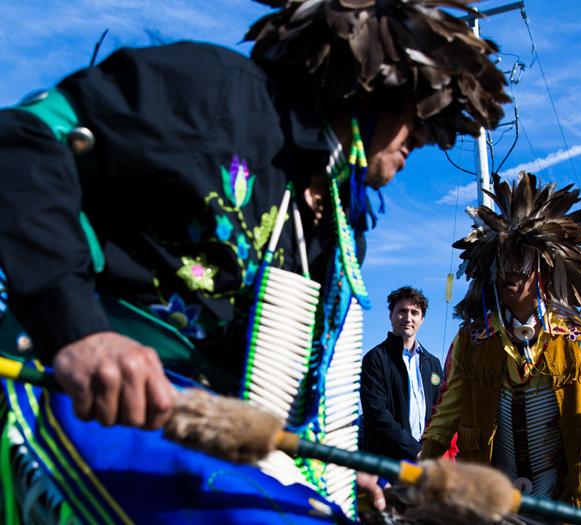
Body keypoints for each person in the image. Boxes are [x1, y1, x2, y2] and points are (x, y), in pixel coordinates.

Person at [0, 0, 508, 522]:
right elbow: (28, 138)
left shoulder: (340, 225)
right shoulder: (215, 95)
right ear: (375, 86)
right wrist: (79, 331)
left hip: (225, 449)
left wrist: (341, 472)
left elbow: (288, 389)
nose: (419, 140)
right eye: (414, 116)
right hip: (83, 399)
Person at [420, 172, 581, 511]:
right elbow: (448, 414)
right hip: (494, 502)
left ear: (544, 269)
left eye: (521, 262)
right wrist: (423, 464)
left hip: (568, 502)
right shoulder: (474, 340)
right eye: (503, 261)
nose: (510, 272)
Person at [361, 287, 443, 461]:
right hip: (389, 464)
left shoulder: (433, 364)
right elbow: (377, 414)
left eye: (414, 312)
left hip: (428, 461)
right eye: (402, 311)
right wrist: (415, 450)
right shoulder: (375, 359)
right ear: (391, 315)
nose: (408, 318)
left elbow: (441, 412)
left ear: (422, 319)